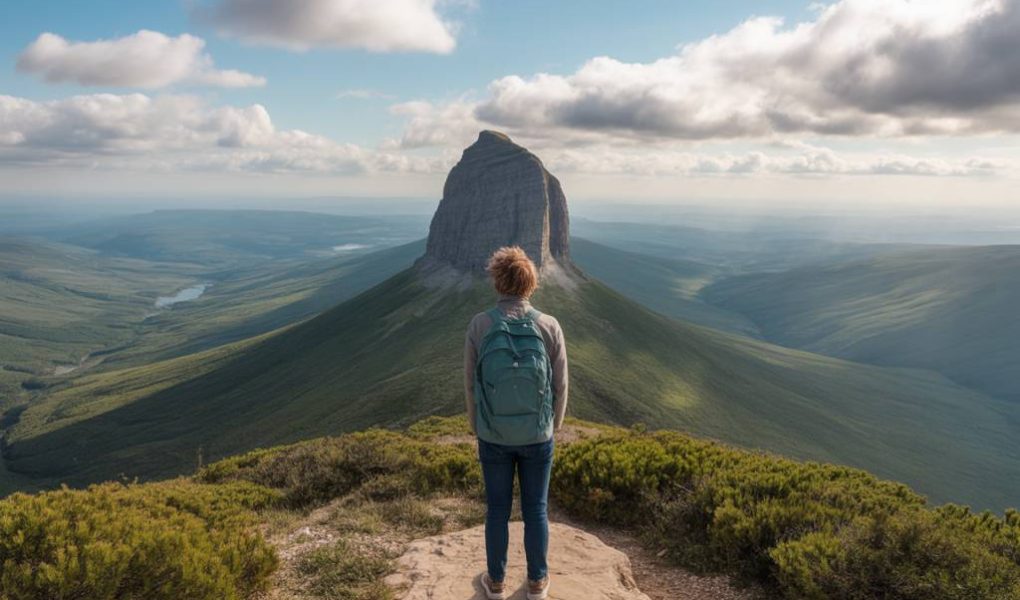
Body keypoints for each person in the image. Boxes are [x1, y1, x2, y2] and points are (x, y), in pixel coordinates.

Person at [464, 246, 569, 600]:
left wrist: (477, 425)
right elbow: (561, 385)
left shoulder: (480, 324)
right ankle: (537, 582)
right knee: (536, 508)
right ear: (531, 282)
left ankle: (495, 582)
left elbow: (470, 383)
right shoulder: (548, 325)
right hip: (538, 435)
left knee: (497, 509)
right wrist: (551, 426)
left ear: (497, 281)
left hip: (493, 434)